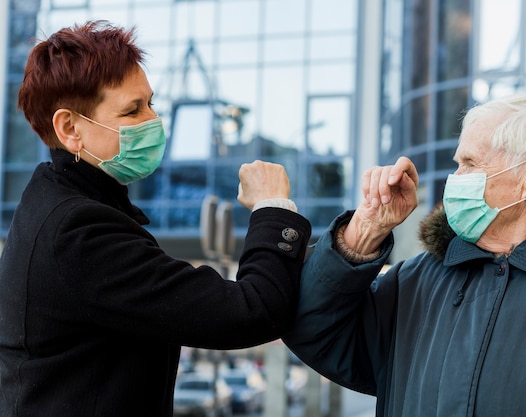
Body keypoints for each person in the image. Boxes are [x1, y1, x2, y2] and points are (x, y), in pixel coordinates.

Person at [0, 21, 311, 416]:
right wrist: (272, 207)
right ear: (69, 128)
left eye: (150, 103)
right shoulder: (77, 232)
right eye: (133, 110)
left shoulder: (56, 205)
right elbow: (252, 312)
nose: (153, 120)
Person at [283, 94, 526, 416]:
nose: (454, 178)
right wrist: (365, 230)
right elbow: (314, 331)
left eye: (469, 163)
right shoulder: (416, 281)